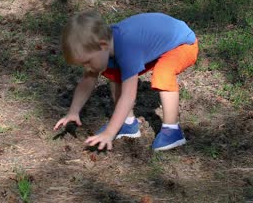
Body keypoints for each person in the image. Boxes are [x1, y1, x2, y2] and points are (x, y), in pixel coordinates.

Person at [53, 11, 198, 151]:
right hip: (157, 46)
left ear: (103, 45)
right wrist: (73, 112)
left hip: (182, 44)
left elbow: (128, 97)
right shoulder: (103, 45)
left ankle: (172, 131)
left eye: (88, 62)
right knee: (112, 71)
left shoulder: (127, 48)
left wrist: (109, 132)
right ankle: (127, 123)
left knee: (163, 73)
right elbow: (87, 81)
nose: (87, 67)